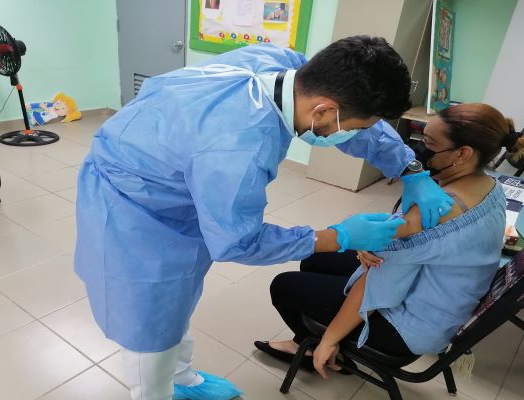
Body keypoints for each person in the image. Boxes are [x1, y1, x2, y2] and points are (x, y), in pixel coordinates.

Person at [74, 36, 454, 400]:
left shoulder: (286, 67)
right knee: (150, 317)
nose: (355, 135)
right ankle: (155, 393)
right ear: (323, 111)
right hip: (132, 207)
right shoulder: (239, 146)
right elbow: (238, 241)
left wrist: (410, 169)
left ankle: (181, 377)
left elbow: (359, 129)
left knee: (176, 301)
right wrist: (335, 237)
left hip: (176, 177)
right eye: (353, 128)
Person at [255, 103, 524, 379]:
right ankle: (316, 334)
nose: (418, 149)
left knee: (283, 286)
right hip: (442, 297)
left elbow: (381, 284)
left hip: (411, 325)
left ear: (462, 154)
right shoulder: (491, 185)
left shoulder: (437, 213)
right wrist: (373, 244)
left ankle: (319, 350)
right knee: (315, 258)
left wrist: (330, 338)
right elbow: (401, 248)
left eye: (428, 143)